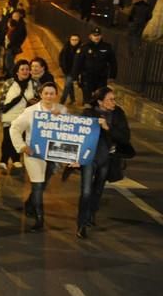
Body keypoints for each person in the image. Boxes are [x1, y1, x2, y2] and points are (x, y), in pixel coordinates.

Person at [75, 87, 133, 238]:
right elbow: (78, 135)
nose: (114, 102)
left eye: (114, 99)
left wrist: (108, 128)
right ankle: (81, 224)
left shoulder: (118, 114)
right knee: (86, 191)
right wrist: (75, 158)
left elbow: (125, 137)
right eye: (110, 99)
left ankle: (92, 213)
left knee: (98, 189)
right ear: (100, 101)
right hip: (89, 157)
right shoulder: (88, 113)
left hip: (107, 158)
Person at [10, 82, 67, 232]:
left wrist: (59, 119)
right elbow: (15, 128)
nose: (48, 96)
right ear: (41, 94)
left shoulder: (62, 110)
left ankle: (30, 204)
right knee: (37, 184)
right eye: (46, 93)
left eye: (52, 93)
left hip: (53, 153)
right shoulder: (30, 111)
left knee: (43, 184)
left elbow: (70, 132)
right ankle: (39, 219)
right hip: (34, 153)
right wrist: (22, 146)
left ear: (56, 95)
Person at [0, 60, 38, 172]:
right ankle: (3, 160)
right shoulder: (9, 83)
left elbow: (39, 99)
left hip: (25, 117)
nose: (25, 71)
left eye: (27, 69)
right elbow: (1, 98)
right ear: (17, 72)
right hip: (9, 115)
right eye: (22, 69)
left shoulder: (34, 84)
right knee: (7, 139)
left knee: (20, 138)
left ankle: (16, 159)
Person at [71, 28, 117, 103]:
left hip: (101, 78)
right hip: (87, 78)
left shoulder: (107, 47)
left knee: (100, 98)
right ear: (90, 36)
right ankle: (87, 112)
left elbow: (113, 62)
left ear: (101, 36)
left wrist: (112, 76)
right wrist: (75, 77)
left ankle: (96, 113)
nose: (96, 37)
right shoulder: (84, 47)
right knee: (87, 99)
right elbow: (77, 63)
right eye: (94, 35)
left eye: (98, 35)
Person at [58, 34, 81, 105]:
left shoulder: (81, 49)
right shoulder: (66, 47)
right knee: (70, 85)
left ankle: (62, 101)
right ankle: (73, 100)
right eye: (72, 40)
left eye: (76, 40)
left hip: (74, 71)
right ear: (70, 40)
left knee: (67, 85)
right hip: (66, 70)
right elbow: (61, 57)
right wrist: (62, 66)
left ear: (79, 41)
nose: (74, 41)